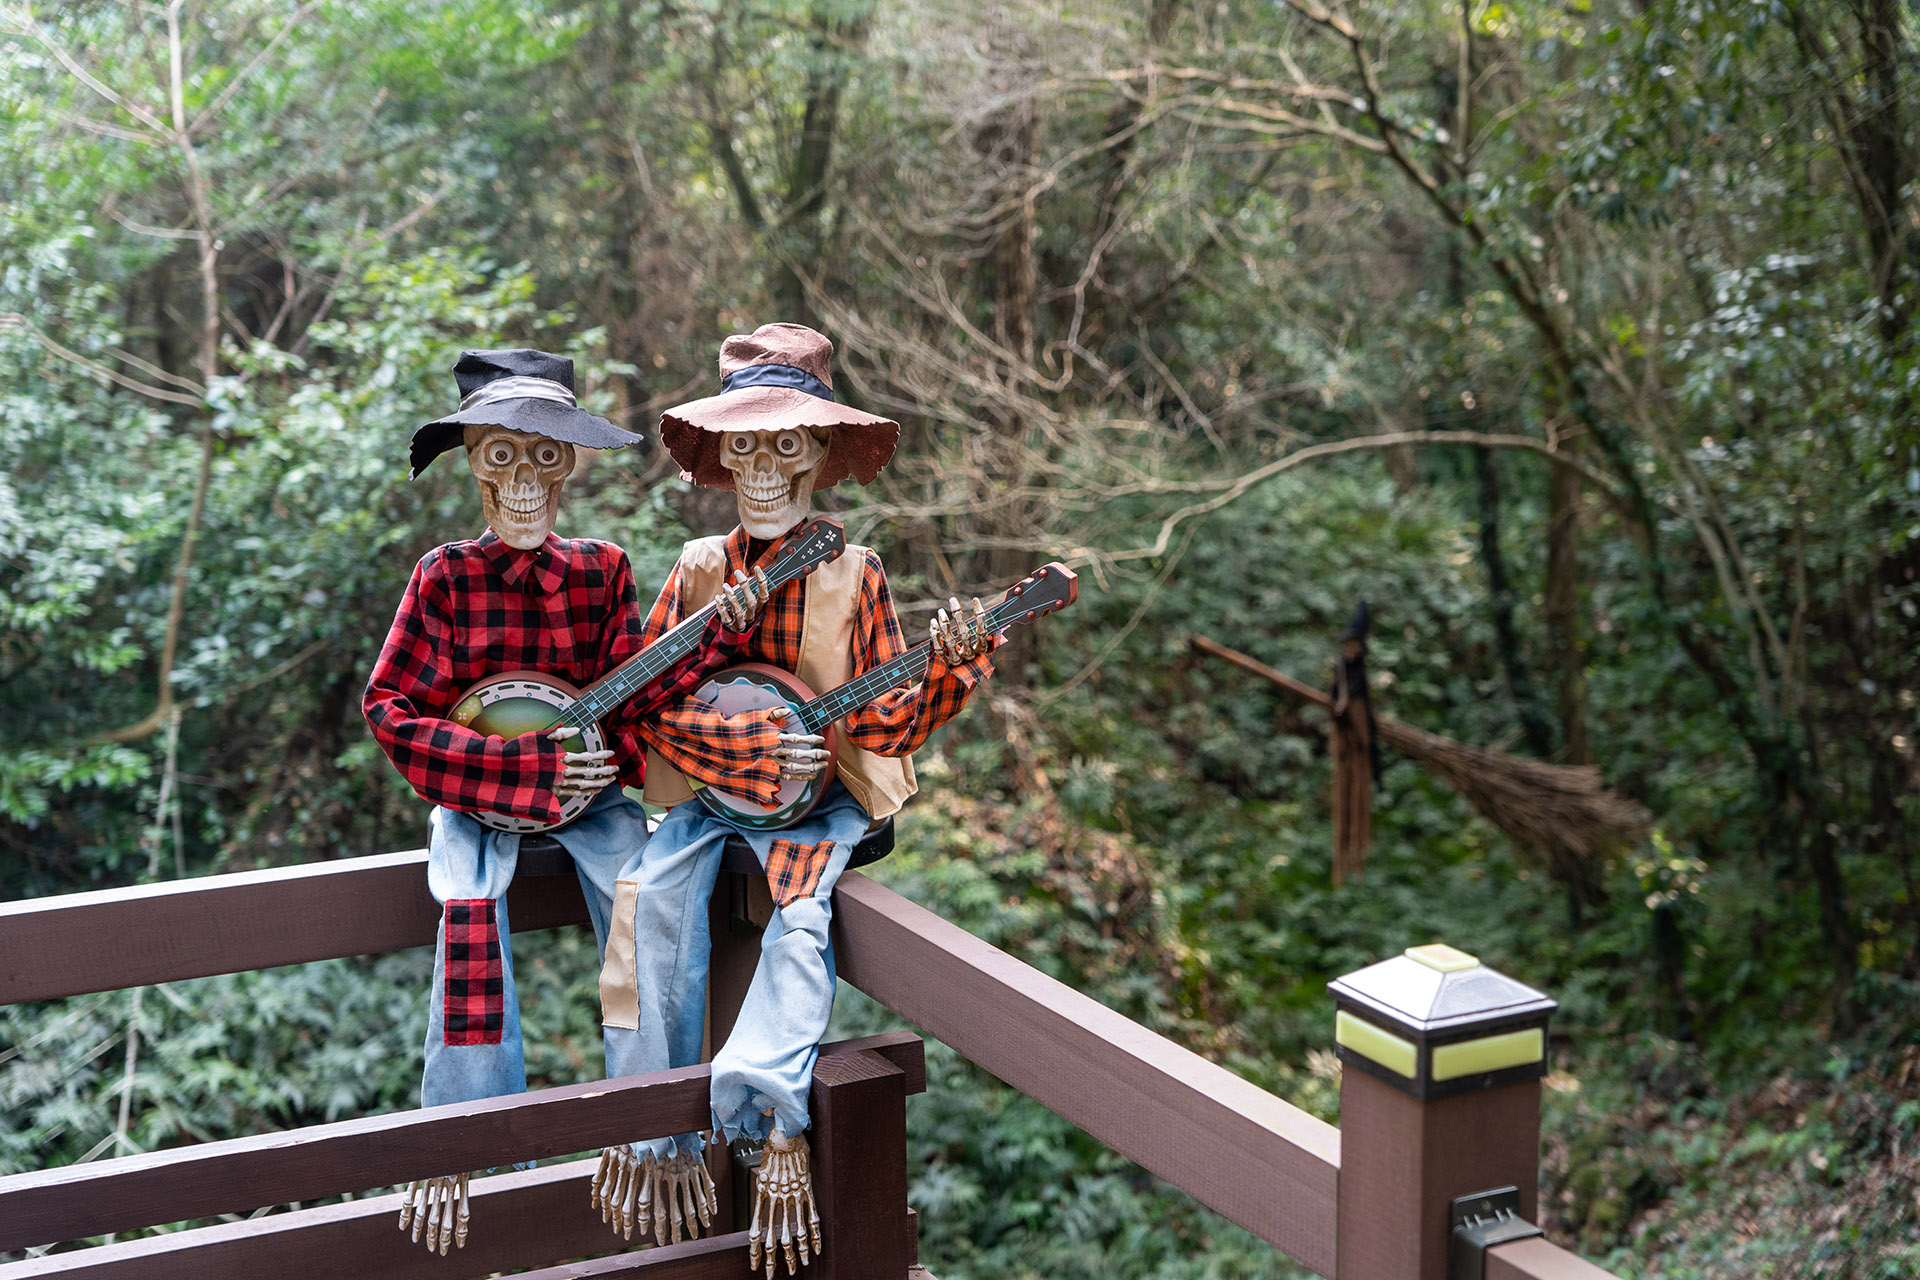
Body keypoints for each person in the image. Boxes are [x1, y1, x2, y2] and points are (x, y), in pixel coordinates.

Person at [591, 323, 997, 1275]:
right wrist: (699, 648)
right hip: (708, 803)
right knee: (641, 903)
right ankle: (649, 1130)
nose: (765, 467)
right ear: (723, 457)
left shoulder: (858, 576)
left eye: (788, 443)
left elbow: (884, 727)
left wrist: (953, 668)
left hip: (812, 810)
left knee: (801, 924)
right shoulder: (699, 566)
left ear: (820, 452)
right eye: (746, 444)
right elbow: (631, 706)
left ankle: (773, 1122)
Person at [362, 348, 770, 1253]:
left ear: (571, 465)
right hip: (477, 800)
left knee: (650, 906)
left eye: (545, 454)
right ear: (470, 460)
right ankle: (461, 1141)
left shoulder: (602, 571)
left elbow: (633, 704)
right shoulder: (443, 578)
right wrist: (513, 775)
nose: (523, 481)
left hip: (588, 805)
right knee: (467, 908)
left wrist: (704, 651)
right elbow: (389, 710)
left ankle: (659, 1133)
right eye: (500, 455)